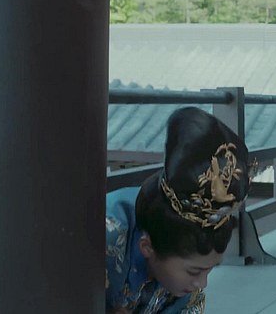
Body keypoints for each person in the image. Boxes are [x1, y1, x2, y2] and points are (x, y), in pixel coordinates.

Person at [106, 107, 254, 314]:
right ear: (147, 246)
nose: (202, 284)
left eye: (208, 270)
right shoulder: (106, 237)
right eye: (194, 271)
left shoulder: (183, 276)